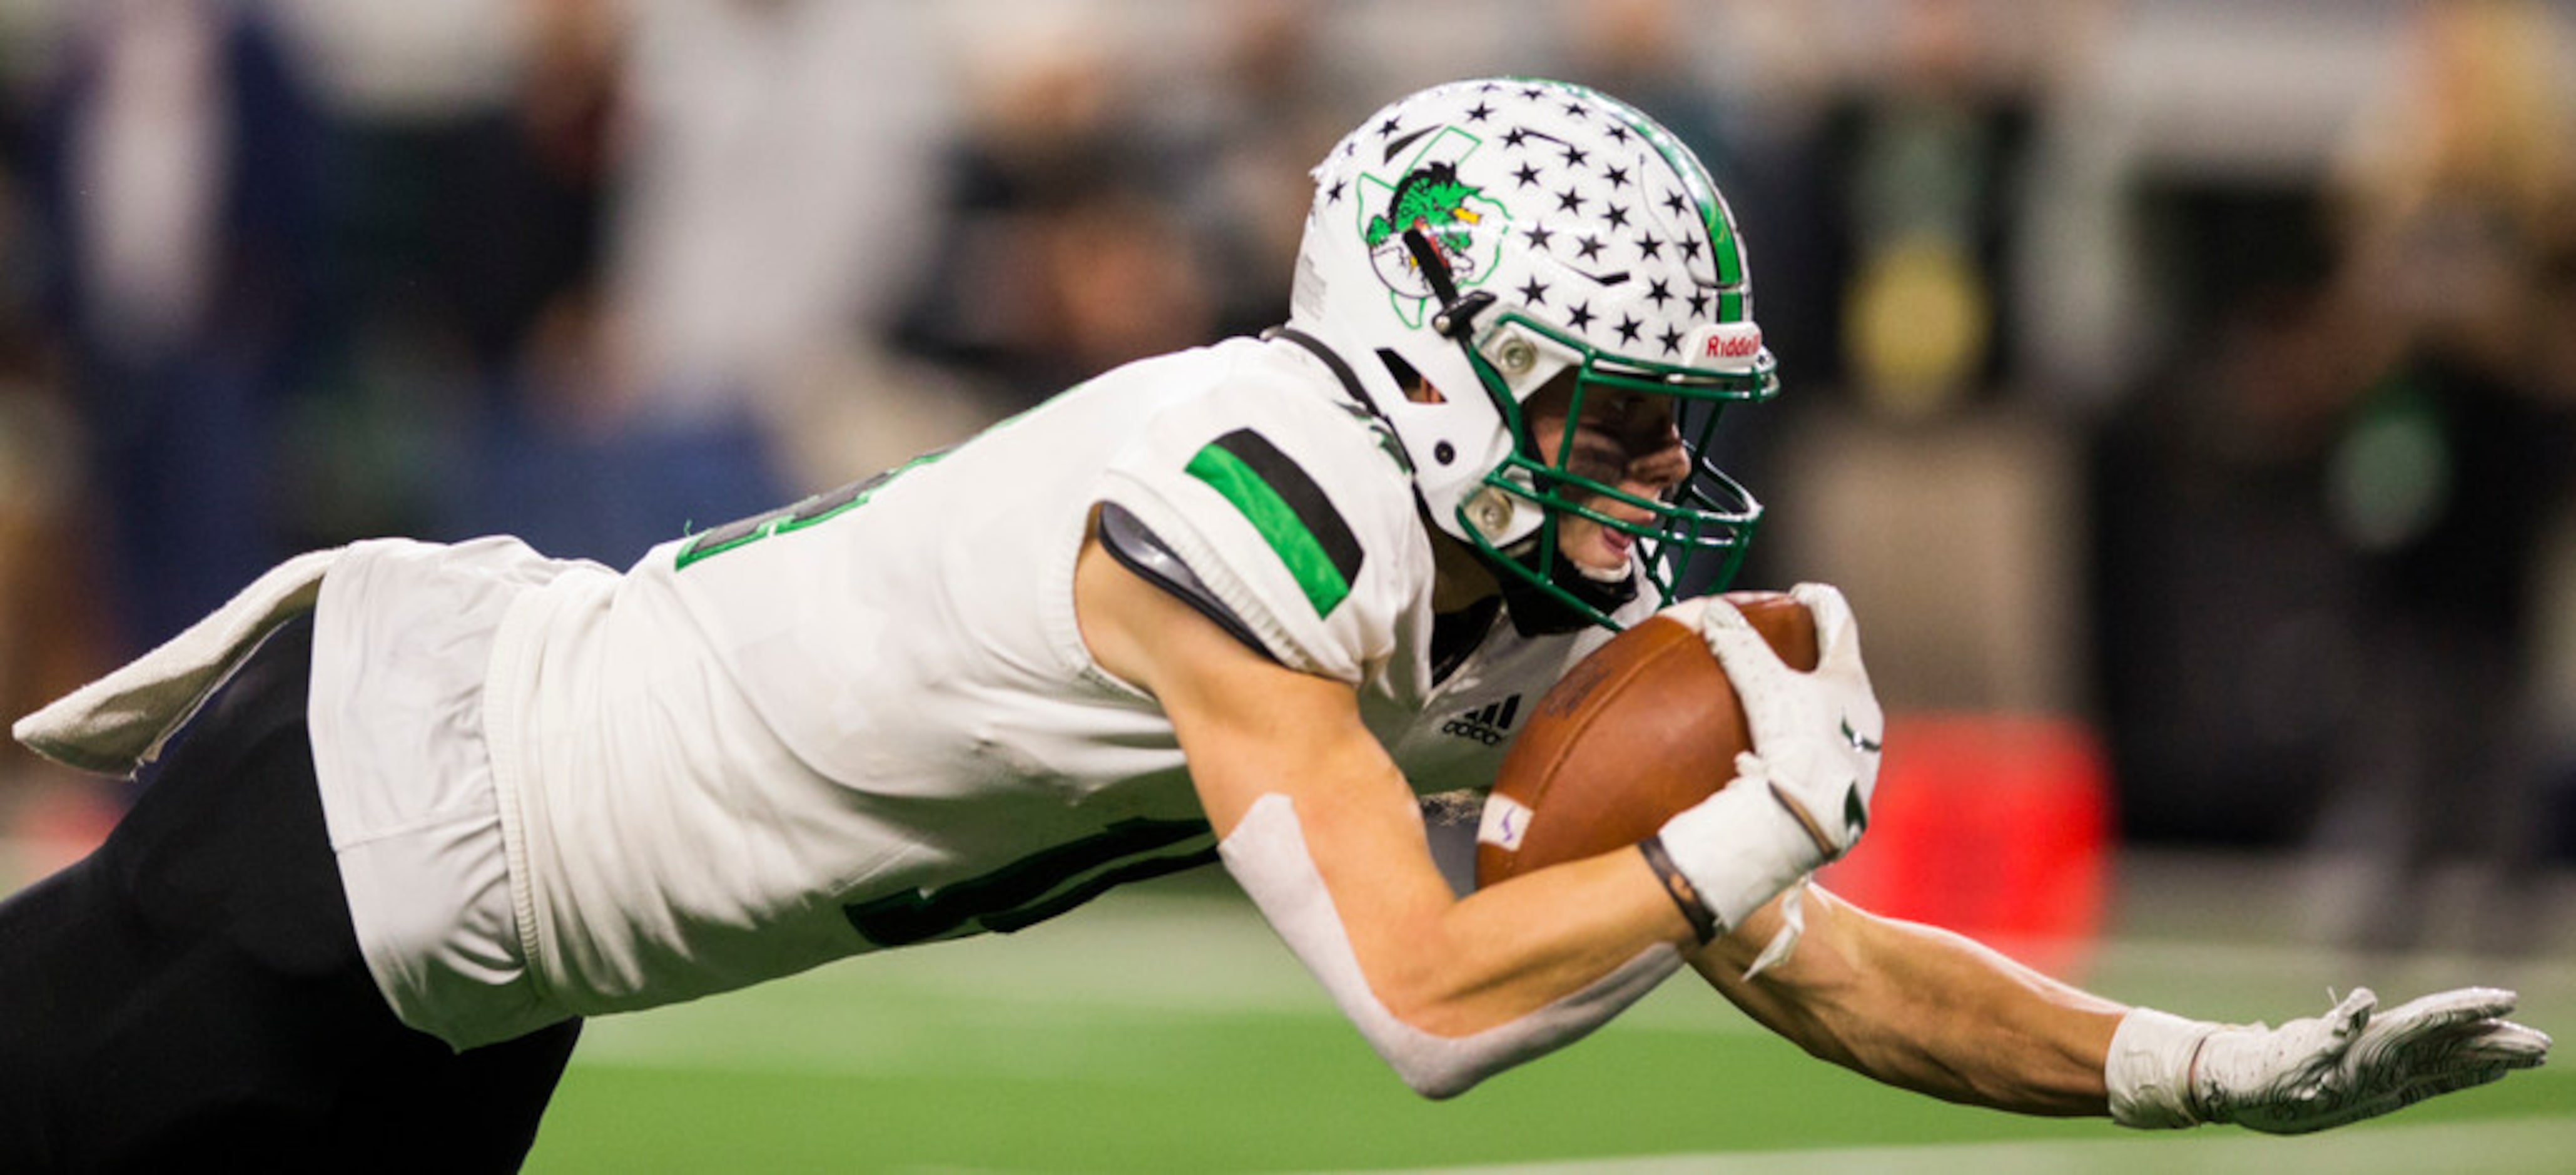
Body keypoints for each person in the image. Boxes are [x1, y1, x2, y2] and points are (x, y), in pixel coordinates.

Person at [0, 78, 2546, 1171]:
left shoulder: (1459, 561)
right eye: (1611, 406)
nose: (1658, 470)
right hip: (380, 828)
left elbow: (1803, 956)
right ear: (1437, 348)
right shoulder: (1242, 508)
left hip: (497, 939)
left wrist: (2196, 1073)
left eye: (1671, 412)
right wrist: (1726, 812)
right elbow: (1431, 1001)